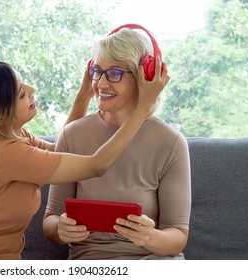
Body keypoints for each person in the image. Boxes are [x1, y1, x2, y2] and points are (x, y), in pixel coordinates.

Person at [0, 58, 169, 260]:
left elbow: (62, 150)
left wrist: (86, 92)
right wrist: (143, 107)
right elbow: (96, 165)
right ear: (0, 112)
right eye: (22, 93)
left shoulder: (13, 137)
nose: (32, 90)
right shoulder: (5, 152)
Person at [43, 26, 191, 260]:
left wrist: (150, 237)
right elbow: (51, 219)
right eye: (97, 71)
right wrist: (60, 229)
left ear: (146, 77)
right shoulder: (72, 135)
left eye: (114, 73)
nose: (101, 85)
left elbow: (177, 235)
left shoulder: (170, 142)